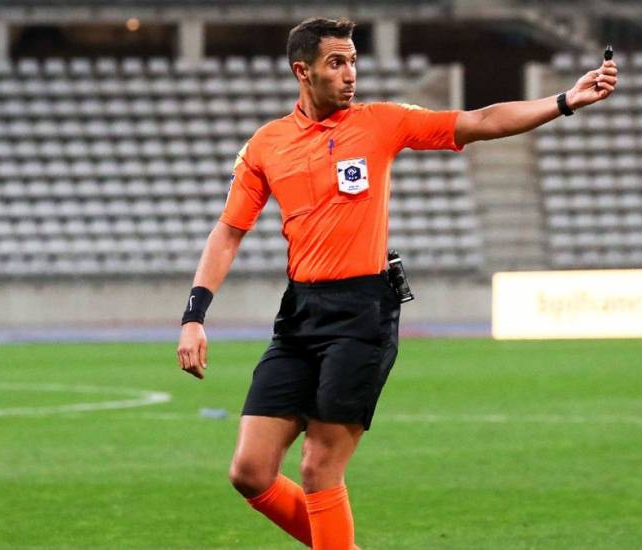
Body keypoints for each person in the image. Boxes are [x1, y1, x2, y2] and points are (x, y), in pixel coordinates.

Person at [176, 17, 617, 549]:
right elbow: (228, 232)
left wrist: (564, 100)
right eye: (336, 63)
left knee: (319, 467)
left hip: (363, 312)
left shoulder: (381, 123)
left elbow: (478, 121)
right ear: (303, 71)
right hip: (300, 313)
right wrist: (194, 317)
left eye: (354, 62)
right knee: (249, 472)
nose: (350, 74)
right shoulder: (267, 145)